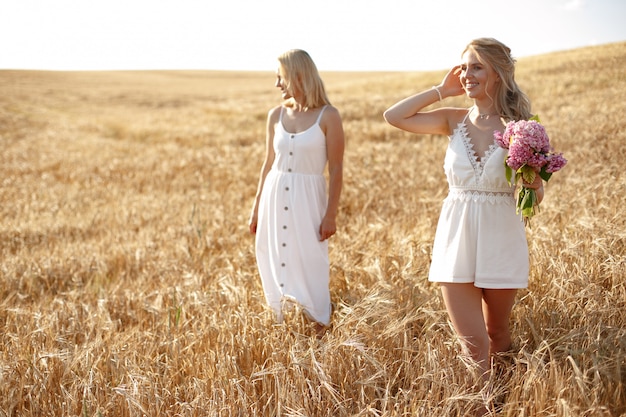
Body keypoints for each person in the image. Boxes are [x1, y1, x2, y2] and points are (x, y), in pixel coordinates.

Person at [383, 38, 544, 383]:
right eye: (464, 66)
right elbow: (393, 116)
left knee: (498, 335)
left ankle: (503, 399)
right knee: (473, 345)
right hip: (456, 238)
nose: (467, 74)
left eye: (476, 66)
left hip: (501, 235)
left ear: (498, 74)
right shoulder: (452, 120)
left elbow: (535, 192)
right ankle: (483, 407)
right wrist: (440, 90)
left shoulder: (522, 128)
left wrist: (534, 184)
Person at [249, 49, 345, 333]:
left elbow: (337, 169)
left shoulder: (329, 116)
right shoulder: (275, 115)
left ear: (298, 76)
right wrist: (256, 207)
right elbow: (268, 163)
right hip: (274, 194)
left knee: (310, 259)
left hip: (308, 199)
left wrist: (331, 215)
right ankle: (281, 322)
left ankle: (318, 325)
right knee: (272, 253)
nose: (277, 84)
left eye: (281, 77)